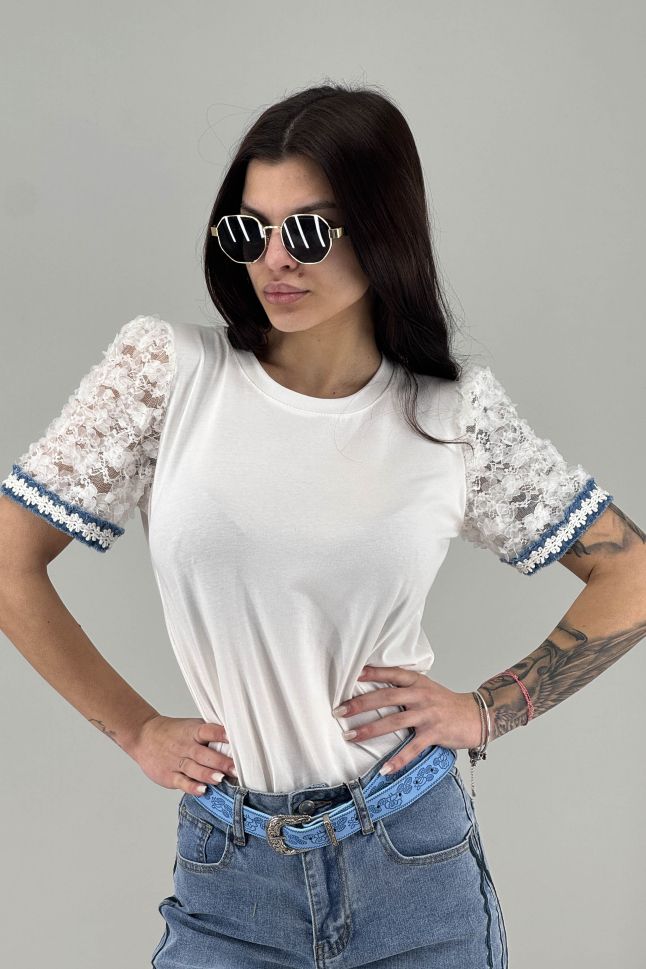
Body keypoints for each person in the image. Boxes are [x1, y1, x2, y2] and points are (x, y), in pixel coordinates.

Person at [0, 82, 643, 969]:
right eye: (248, 230)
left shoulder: (450, 415)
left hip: (413, 863)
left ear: (383, 230)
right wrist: (135, 728)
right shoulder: (166, 373)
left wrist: (490, 709)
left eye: (307, 231)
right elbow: (9, 561)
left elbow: (631, 570)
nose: (274, 260)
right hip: (231, 872)